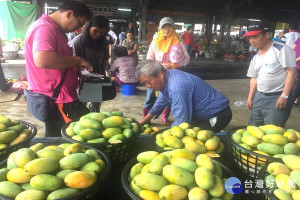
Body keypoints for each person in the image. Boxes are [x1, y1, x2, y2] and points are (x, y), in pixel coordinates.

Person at [24, 0, 93, 137]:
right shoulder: (44, 28)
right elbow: (42, 59)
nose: (77, 29)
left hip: (60, 96)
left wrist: (74, 69)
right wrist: (78, 59)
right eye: (79, 24)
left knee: (60, 135)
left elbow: (55, 62)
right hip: (56, 98)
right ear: (69, 14)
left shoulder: (55, 29)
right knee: (82, 132)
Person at [136, 59, 232, 132]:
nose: (148, 86)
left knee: (197, 143)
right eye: (144, 83)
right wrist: (145, 120)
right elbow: (161, 101)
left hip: (218, 114)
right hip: (202, 114)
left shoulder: (176, 88)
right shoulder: (168, 76)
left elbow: (182, 120)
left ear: (160, 74)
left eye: (148, 82)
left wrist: (164, 135)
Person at [244, 20, 297, 127]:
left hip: (277, 97)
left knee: (272, 131)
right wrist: (250, 97)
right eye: (250, 38)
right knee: (253, 128)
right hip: (259, 97)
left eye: (256, 37)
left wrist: (285, 96)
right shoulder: (255, 56)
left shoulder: (281, 50)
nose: (252, 41)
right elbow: (254, 78)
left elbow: (292, 73)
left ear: (267, 35)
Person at [143, 17, 190, 125]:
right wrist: (158, 65)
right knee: (150, 96)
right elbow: (149, 58)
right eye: (164, 27)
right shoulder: (155, 42)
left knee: (169, 97)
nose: (166, 29)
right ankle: (146, 118)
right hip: (155, 73)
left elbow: (187, 59)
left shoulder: (178, 42)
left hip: (173, 75)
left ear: (173, 28)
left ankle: (164, 117)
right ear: (160, 28)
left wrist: (175, 65)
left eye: (169, 27)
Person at [71, 15, 110, 112]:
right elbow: (73, 61)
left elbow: (104, 60)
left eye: (101, 33)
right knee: (80, 109)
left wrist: (102, 75)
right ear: (88, 27)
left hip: (96, 80)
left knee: (95, 109)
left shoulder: (102, 42)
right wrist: (82, 72)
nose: (98, 35)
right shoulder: (78, 41)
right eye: (95, 31)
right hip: (81, 81)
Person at [291, 37, 300, 105]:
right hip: (296, 64)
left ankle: (292, 99)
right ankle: (292, 100)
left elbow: (292, 48)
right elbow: (292, 48)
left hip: (296, 63)